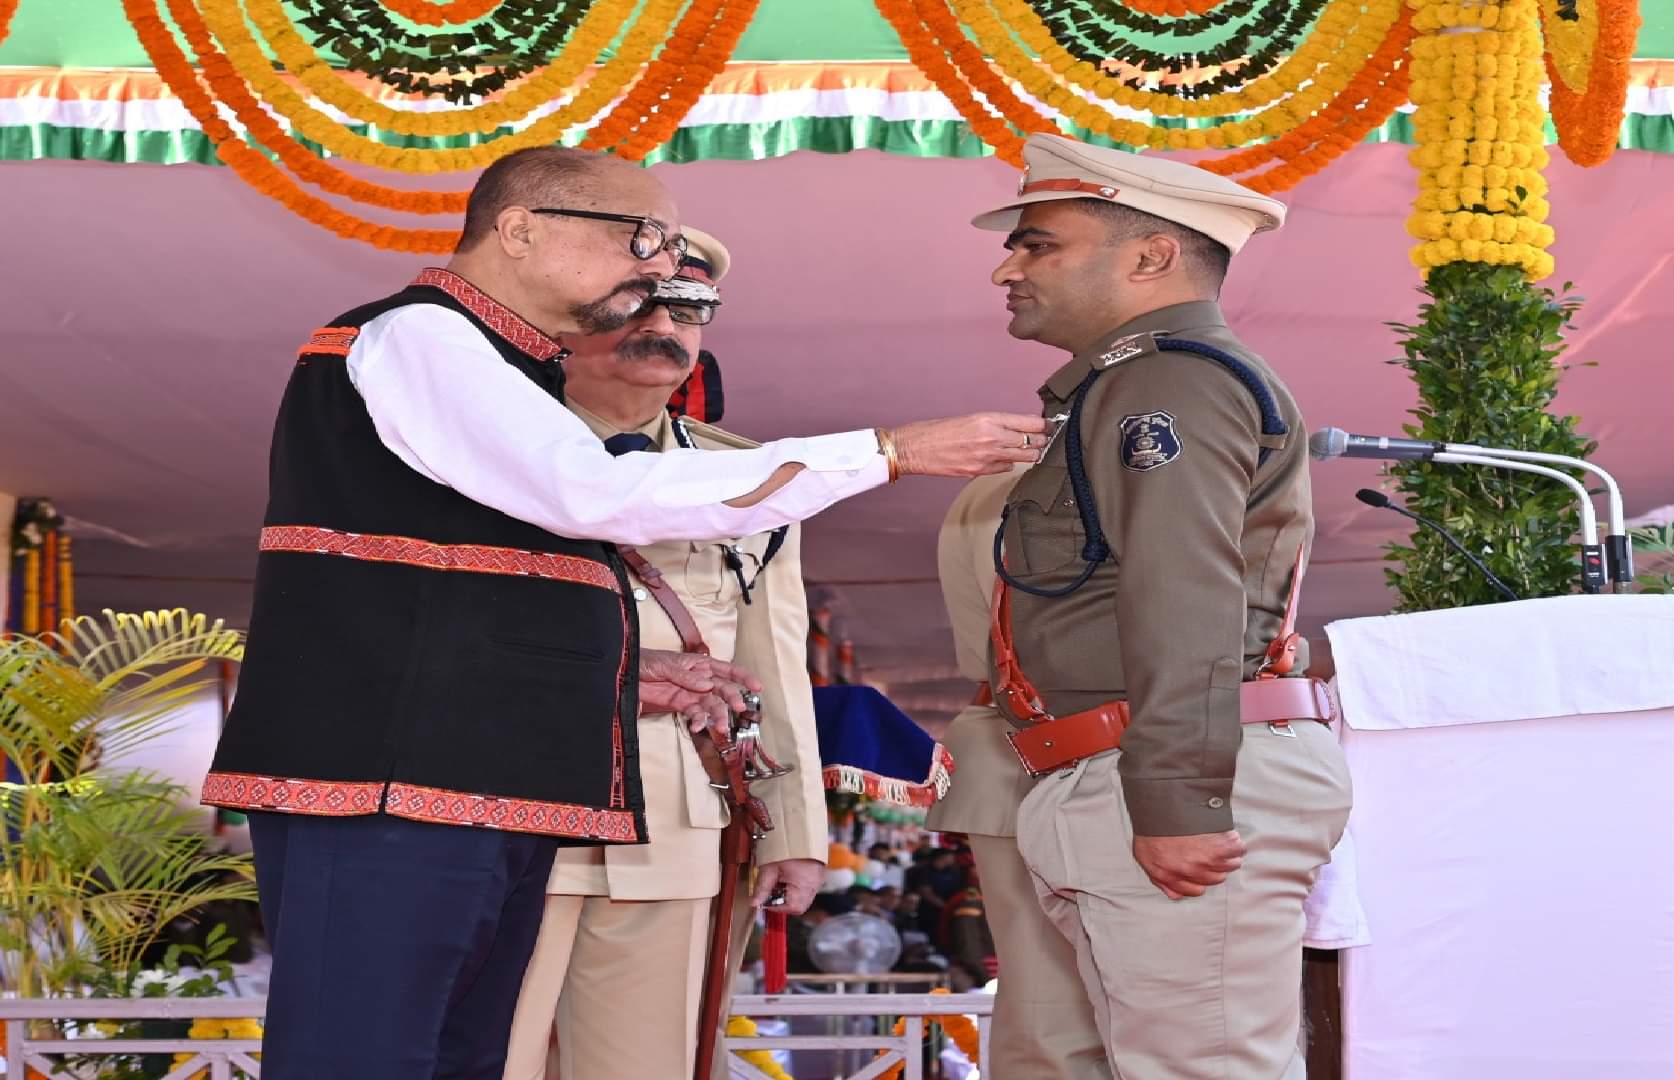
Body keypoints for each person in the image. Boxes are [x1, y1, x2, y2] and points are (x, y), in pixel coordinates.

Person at [201, 144, 1045, 1077]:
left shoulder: (508, 369)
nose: (656, 265)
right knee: (365, 1058)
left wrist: (620, 670)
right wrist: (886, 450)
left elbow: (467, 589)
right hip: (387, 789)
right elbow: (589, 493)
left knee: (456, 1060)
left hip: (487, 784)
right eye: (641, 237)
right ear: (518, 229)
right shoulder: (420, 337)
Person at [971, 133, 1352, 1078]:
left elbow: (1183, 590)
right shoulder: (1126, 383)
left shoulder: (1169, 379)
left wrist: (1178, 796)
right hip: (1127, 761)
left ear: (1149, 256)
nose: (1005, 267)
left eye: (1038, 243)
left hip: (1167, 764)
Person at [501, 228, 828, 1079]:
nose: (667, 325)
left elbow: (772, 666)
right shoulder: (480, 457)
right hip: (509, 812)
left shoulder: (751, 478)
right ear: (563, 321)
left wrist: (795, 831)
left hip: (676, 826)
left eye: (689, 308)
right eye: (639, 301)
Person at [925, 467, 1108, 1079]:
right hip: (1100, 746)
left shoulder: (986, 488)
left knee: (1045, 1017)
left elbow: (976, 650)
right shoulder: (1150, 465)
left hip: (1014, 742)